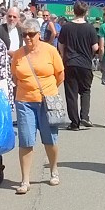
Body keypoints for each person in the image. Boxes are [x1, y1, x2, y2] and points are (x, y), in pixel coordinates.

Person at [10, 18, 64, 194]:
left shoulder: (50, 51)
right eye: (24, 34)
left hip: (47, 100)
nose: (27, 38)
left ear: (38, 35)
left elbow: (60, 75)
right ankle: (25, 180)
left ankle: (54, 169)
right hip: (25, 101)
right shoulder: (18, 54)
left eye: (31, 34)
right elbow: (15, 77)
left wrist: (49, 91)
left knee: (50, 138)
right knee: (26, 140)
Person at [56, 0, 100, 130]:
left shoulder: (66, 27)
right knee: (85, 90)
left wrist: (64, 57)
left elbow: (61, 45)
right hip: (85, 63)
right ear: (86, 12)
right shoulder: (90, 28)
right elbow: (95, 46)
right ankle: (84, 116)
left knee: (71, 93)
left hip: (70, 62)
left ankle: (74, 122)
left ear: (74, 11)